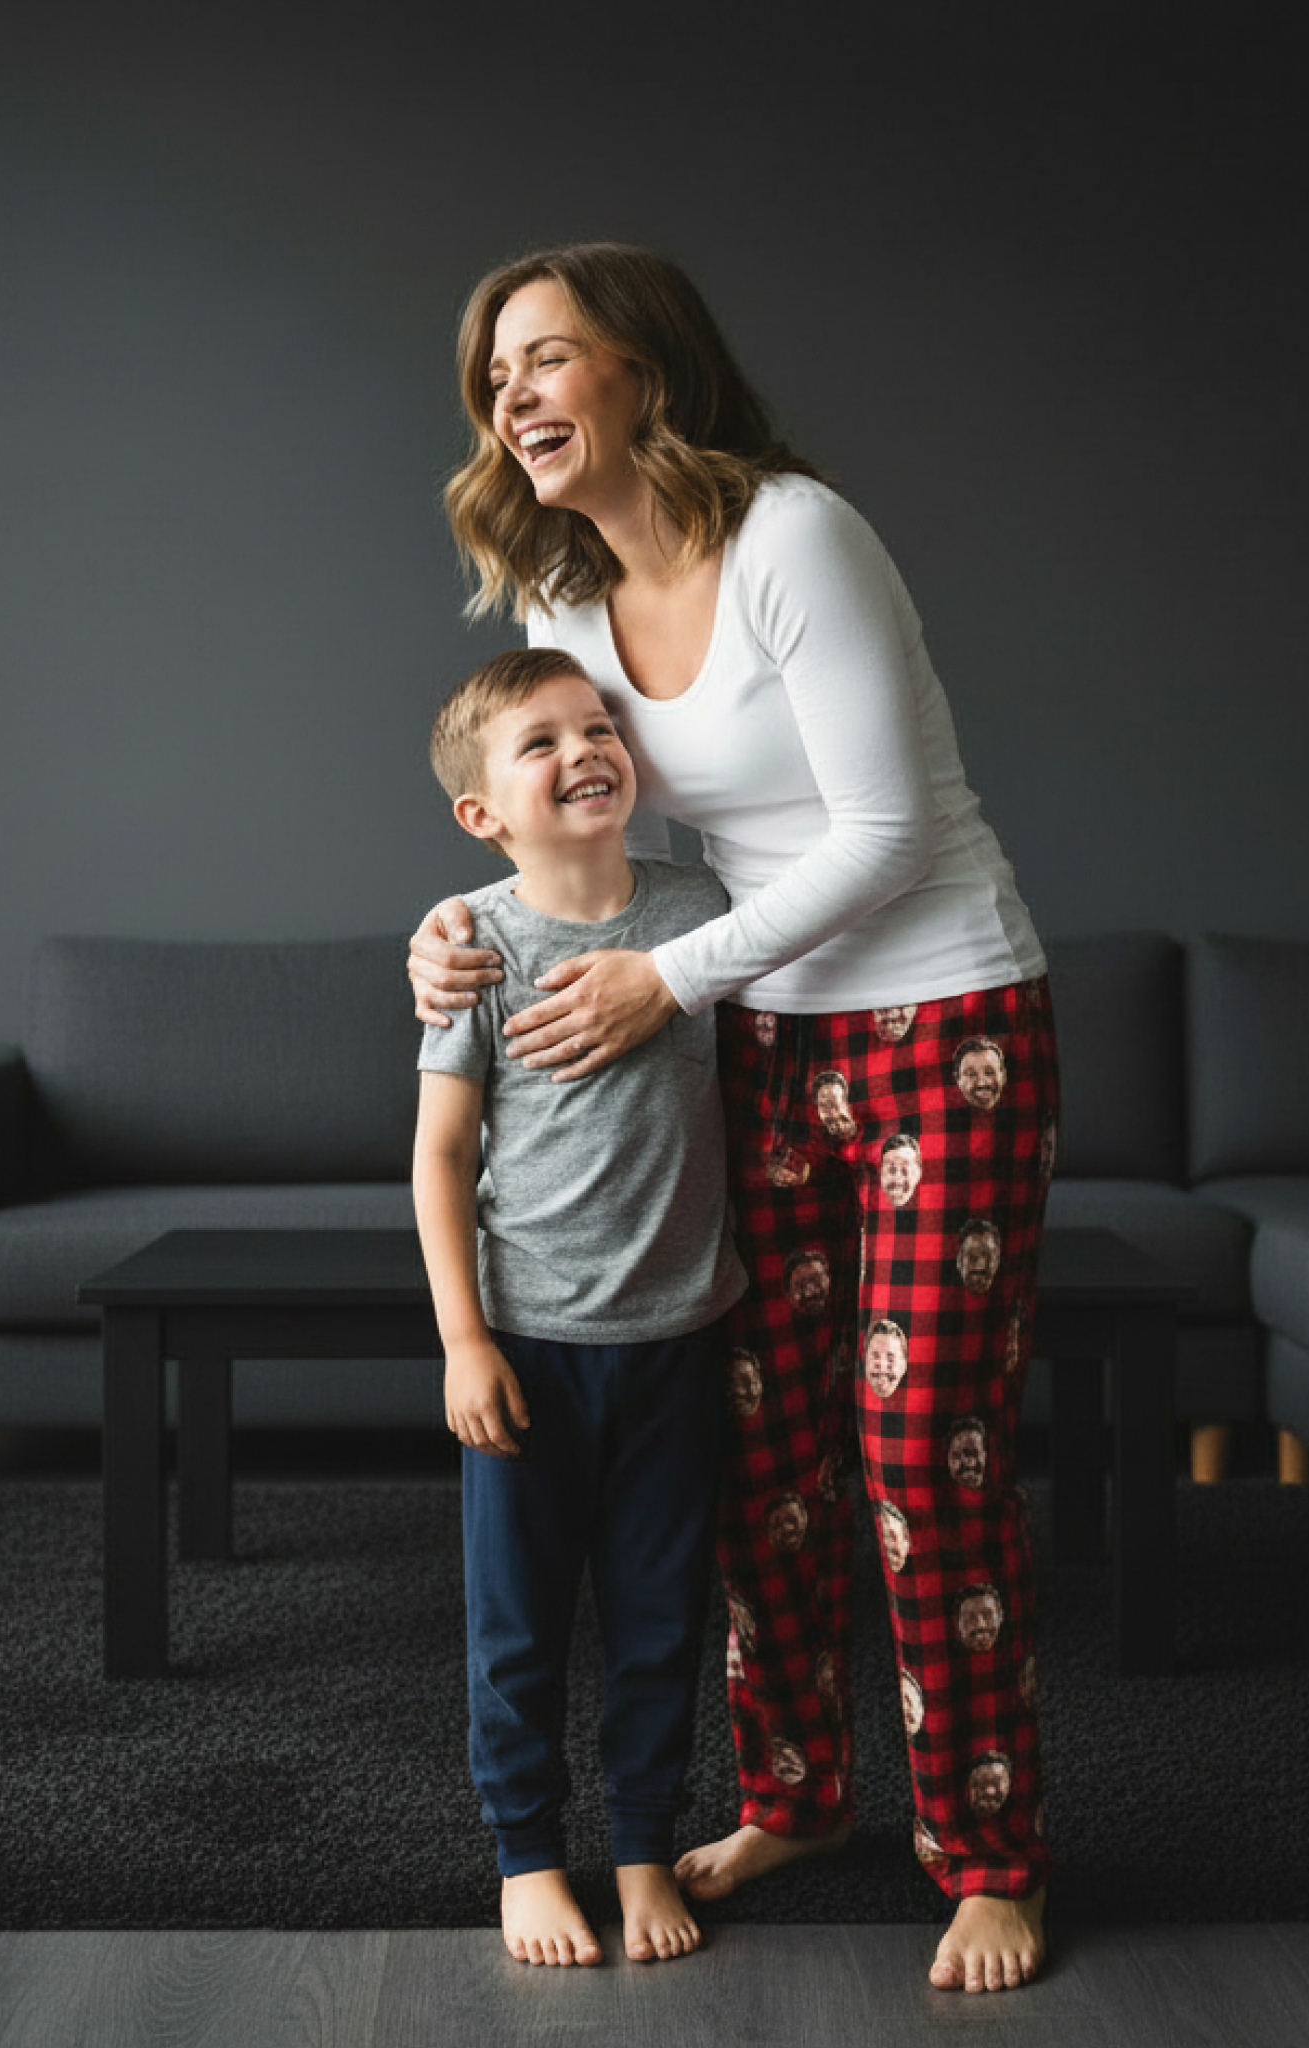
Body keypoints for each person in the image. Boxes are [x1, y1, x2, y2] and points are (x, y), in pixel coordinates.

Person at [409, 240, 1059, 1994]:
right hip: (750, 1037)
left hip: (943, 1017)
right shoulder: (560, 594)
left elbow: (890, 836)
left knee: (925, 1454)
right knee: (765, 1451)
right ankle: (795, 1792)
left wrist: (669, 982)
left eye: (549, 355)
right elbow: (576, 825)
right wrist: (458, 926)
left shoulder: (796, 537)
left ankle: (986, 1856)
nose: (516, 395)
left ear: (647, 368)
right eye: (495, 376)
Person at [411, 645, 746, 1970]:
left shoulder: (705, 905)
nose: (583, 750)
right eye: (539, 743)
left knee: (664, 1616)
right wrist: (462, 1339)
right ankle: (529, 1858)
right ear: (480, 813)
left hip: (682, 1338)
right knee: (521, 1622)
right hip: (533, 1350)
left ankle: (646, 1847)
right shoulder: (473, 947)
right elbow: (441, 1156)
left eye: (597, 725)